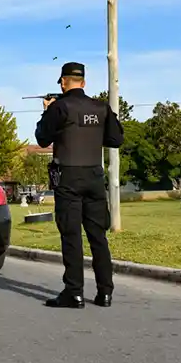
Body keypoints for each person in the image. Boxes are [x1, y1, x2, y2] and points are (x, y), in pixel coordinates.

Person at [35, 62, 124, 309]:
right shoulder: (100, 107)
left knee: (71, 235)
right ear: (83, 83)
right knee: (98, 236)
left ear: (63, 82)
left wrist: (47, 111)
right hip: (95, 176)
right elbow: (116, 138)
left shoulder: (60, 107)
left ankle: (74, 293)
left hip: (68, 177)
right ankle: (105, 293)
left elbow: (42, 139)